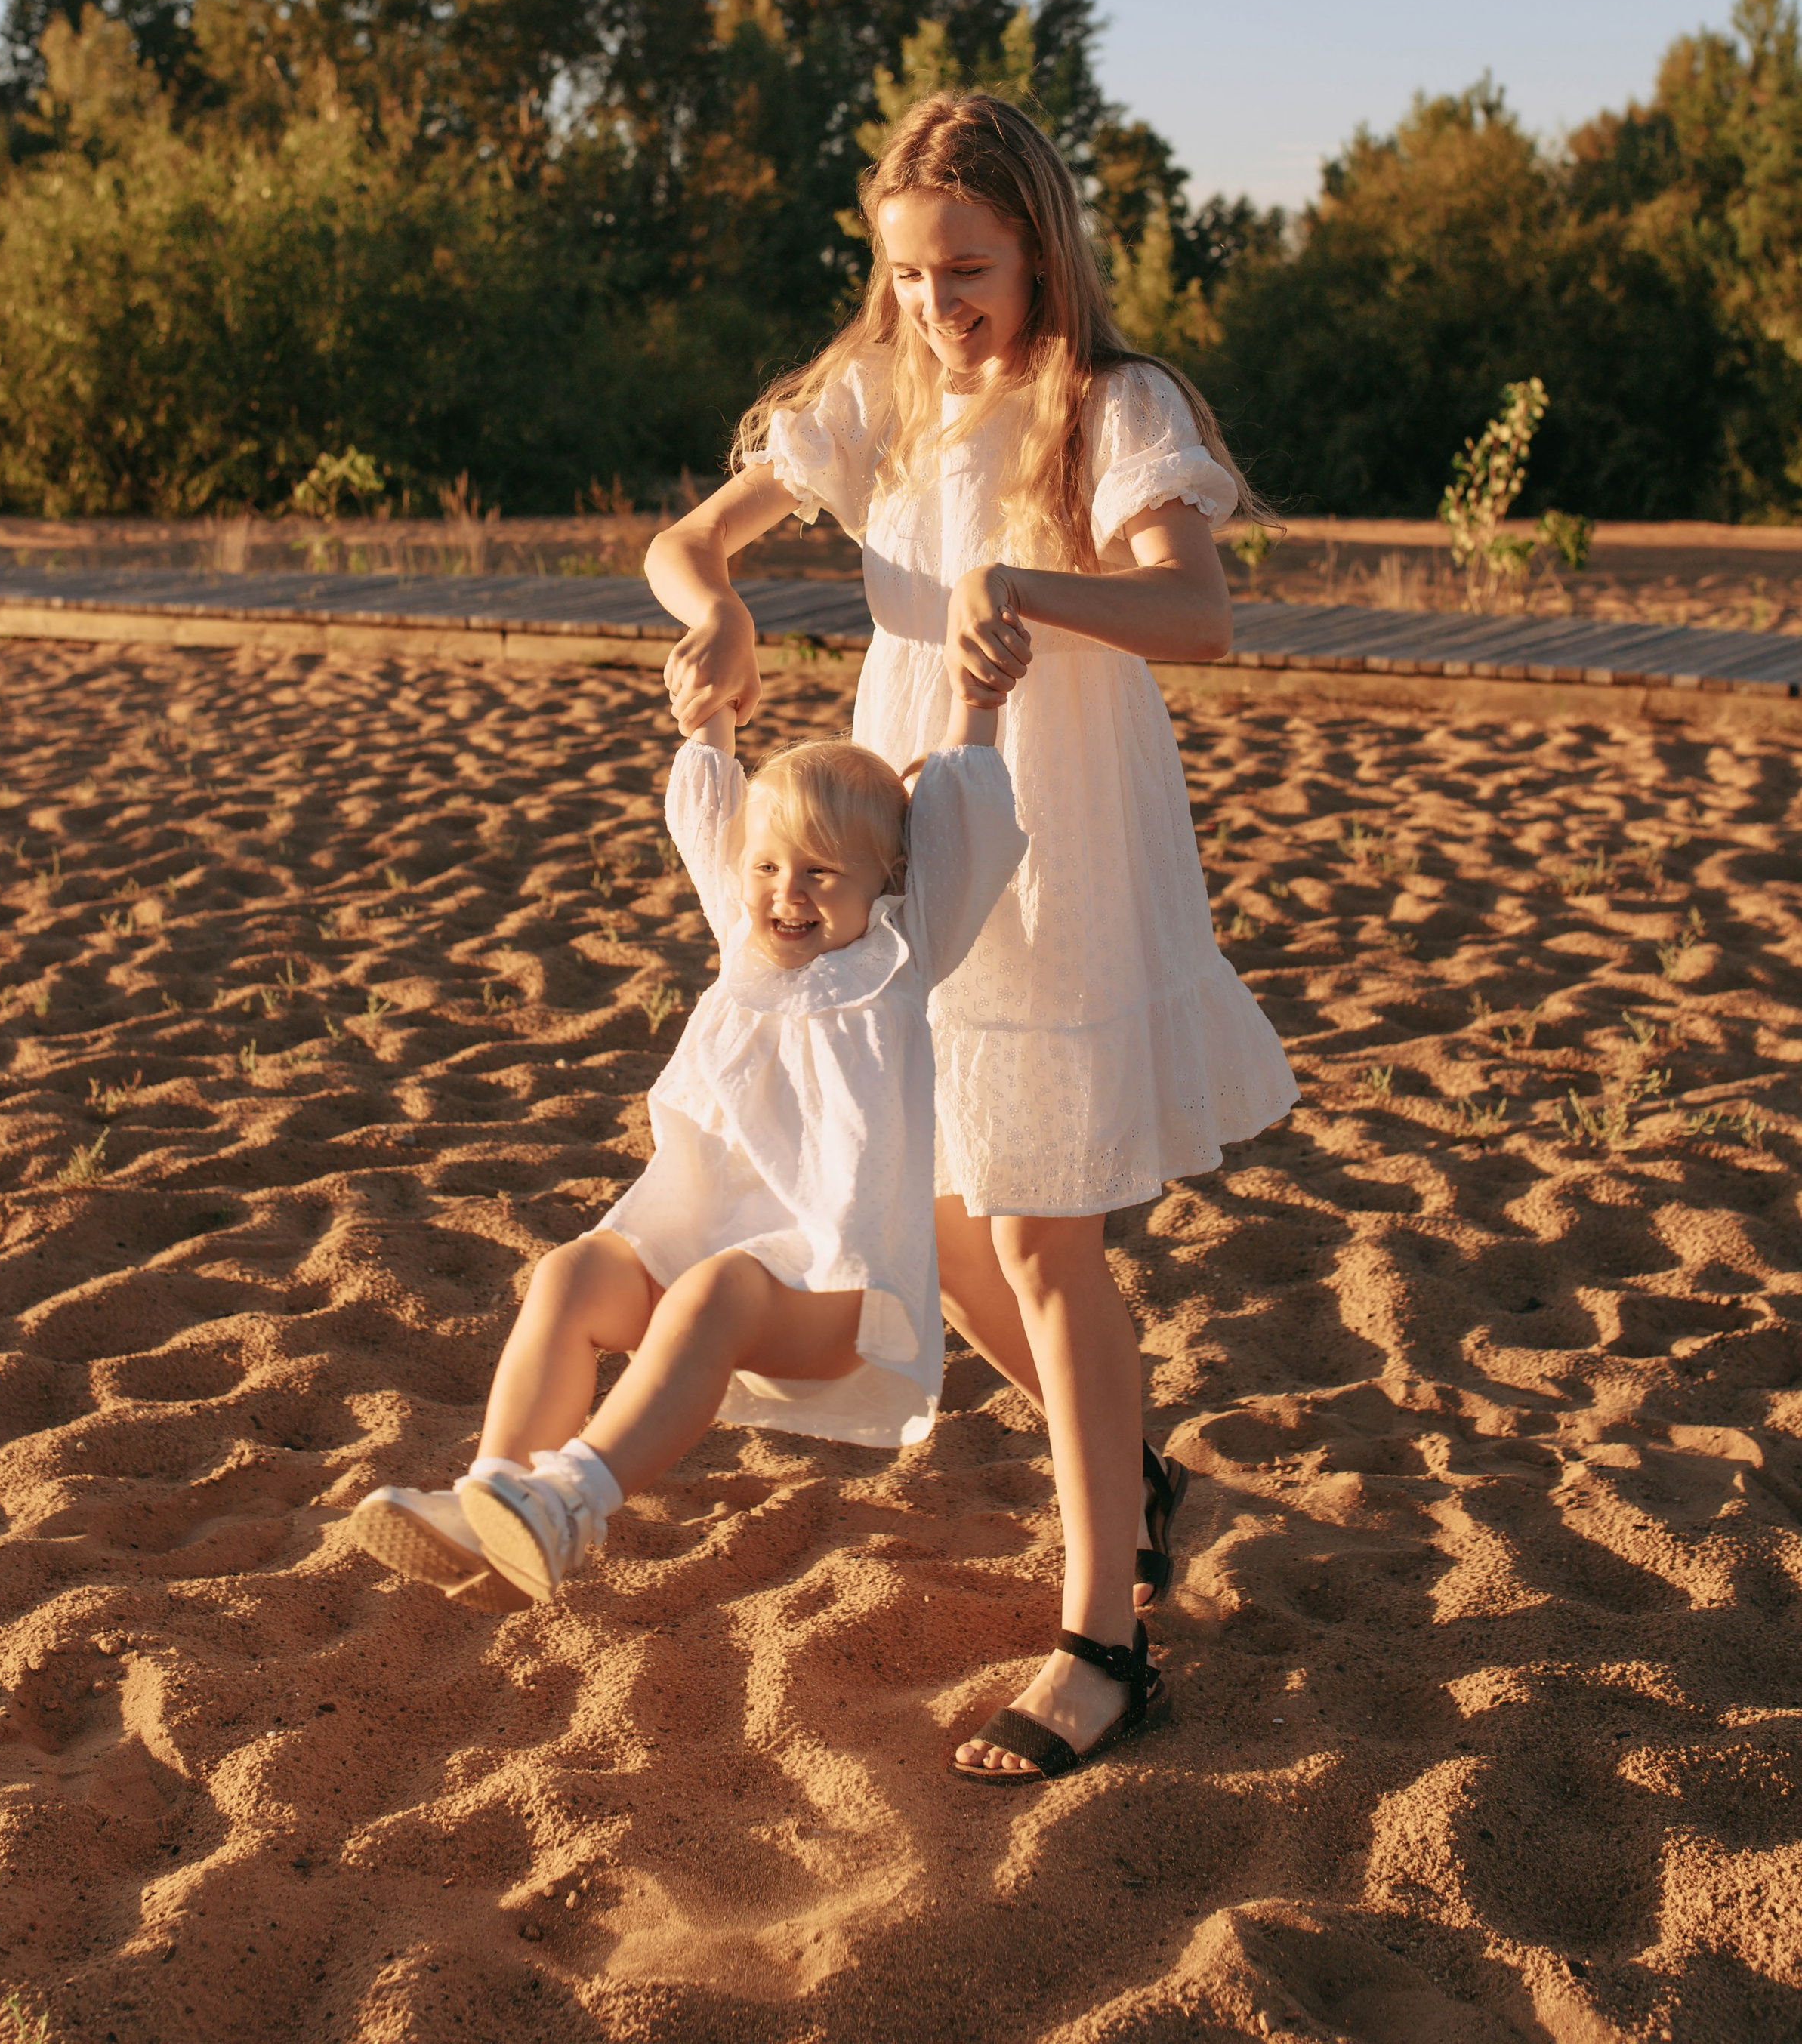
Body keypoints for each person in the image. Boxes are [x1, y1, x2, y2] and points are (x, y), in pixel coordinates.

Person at [646, 90, 1297, 1784]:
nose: (941, 306)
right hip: (907, 827)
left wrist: (1037, 590)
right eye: (913, 275)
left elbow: (1200, 619)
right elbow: (681, 544)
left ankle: (1100, 1642)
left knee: (1036, 1235)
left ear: (1039, 248)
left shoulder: (1108, 406)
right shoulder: (875, 403)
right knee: (922, 1210)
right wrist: (714, 607)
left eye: (969, 270)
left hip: (1063, 826)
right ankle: (1131, 1471)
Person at [350, 684, 1027, 1614]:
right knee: (573, 1274)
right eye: (768, 868)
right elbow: (708, 814)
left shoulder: (900, 962)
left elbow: (968, 826)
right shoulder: (743, 947)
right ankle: (496, 1498)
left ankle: (571, 1503)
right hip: (700, 1261)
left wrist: (977, 708)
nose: (786, 895)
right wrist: (712, 716)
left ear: (889, 881)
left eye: (823, 874)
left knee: (718, 1290)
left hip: (832, 1290)